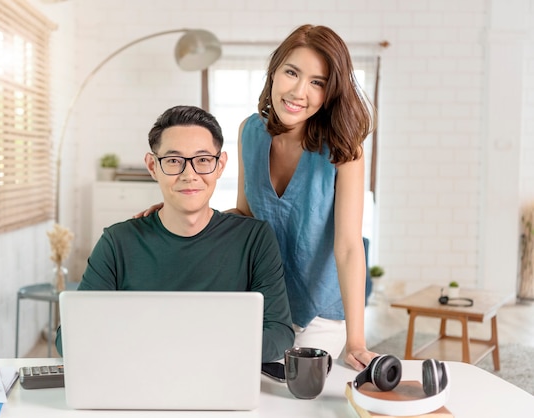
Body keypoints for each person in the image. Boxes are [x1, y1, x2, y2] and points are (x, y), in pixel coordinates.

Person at [55, 105, 295, 363]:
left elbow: (279, 334)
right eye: (173, 161)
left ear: (220, 165)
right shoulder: (117, 242)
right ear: (152, 166)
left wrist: (189, 347)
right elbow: (68, 337)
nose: (189, 175)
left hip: (221, 381)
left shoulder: (254, 239)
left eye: (203, 160)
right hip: (138, 381)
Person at [235, 24, 377, 371]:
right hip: (262, 303)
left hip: (319, 315)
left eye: (318, 82)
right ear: (274, 71)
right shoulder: (249, 131)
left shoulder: (345, 150)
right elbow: (243, 215)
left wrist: (356, 341)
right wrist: (178, 212)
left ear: (331, 92)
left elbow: (348, 246)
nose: (299, 91)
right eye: (292, 72)